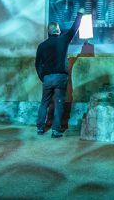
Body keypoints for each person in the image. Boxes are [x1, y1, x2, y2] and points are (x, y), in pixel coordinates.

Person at [35, 8, 85, 138]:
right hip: (60, 78)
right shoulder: (63, 40)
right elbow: (74, 29)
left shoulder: (41, 46)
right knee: (58, 104)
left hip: (47, 78)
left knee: (44, 103)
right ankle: (55, 130)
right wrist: (79, 14)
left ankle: (40, 128)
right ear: (58, 30)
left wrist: (43, 77)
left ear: (48, 32)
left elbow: (37, 65)